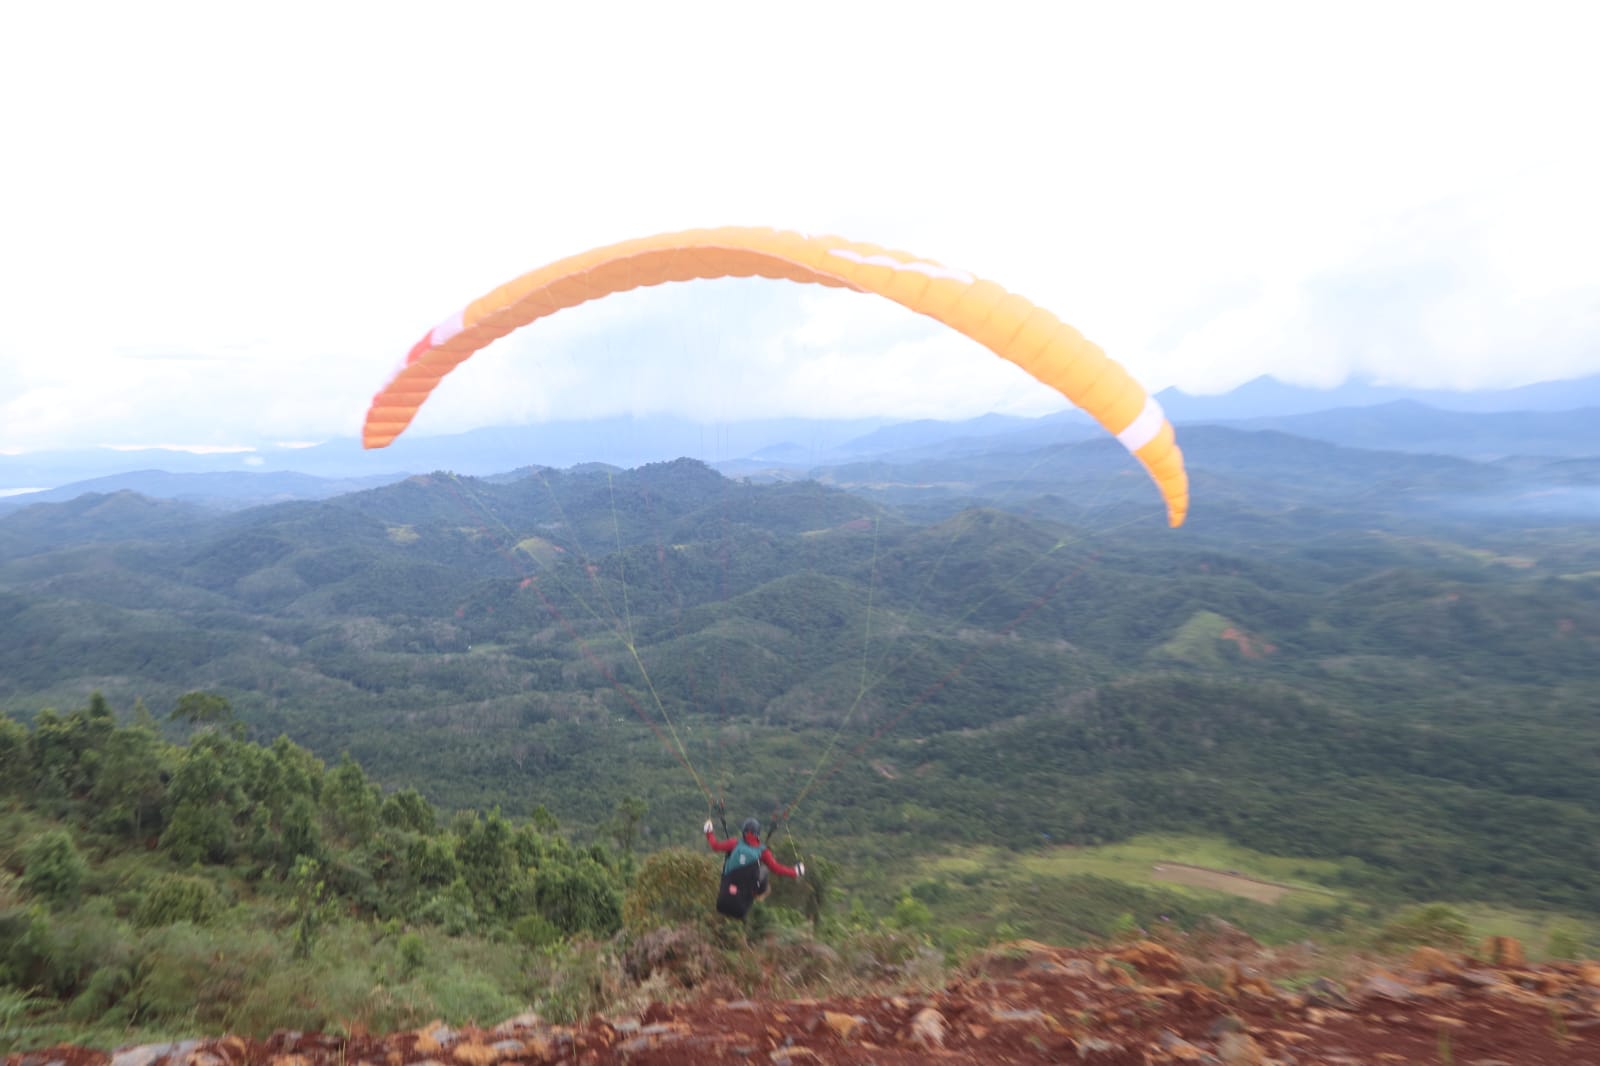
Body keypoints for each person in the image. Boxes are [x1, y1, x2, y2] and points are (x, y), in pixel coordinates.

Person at [704, 816, 803, 919]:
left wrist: (708, 832)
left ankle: (748, 890)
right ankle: (756, 893)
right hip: (742, 904)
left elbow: (715, 846)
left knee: (728, 863)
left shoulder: (734, 843)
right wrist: (795, 871)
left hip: (724, 898)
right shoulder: (763, 851)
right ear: (758, 834)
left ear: (744, 832)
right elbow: (776, 868)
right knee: (764, 870)